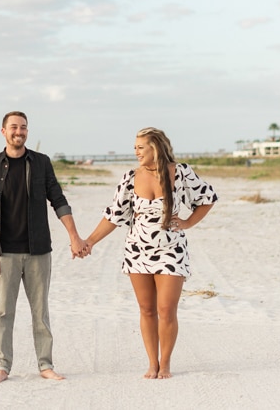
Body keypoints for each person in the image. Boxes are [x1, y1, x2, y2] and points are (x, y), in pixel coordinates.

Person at [82, 127, 217, 379]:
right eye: (135, 147)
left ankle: (165, 363)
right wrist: (89, 241)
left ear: (155, 147)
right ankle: (151, 363)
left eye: (141, 147)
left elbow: (207, 198)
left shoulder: (181, 172)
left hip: (171, 250)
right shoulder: (130, 177)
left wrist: (187, 223)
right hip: (137, 250)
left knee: (166, 309)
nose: (136, 151)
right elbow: (114, 216)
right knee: (146, 309)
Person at [0, 111, 87, 384]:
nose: (19, 131)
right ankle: (2, 366)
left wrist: (74, 236)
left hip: (38, 250)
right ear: (3, 131)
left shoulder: (41, 163)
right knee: (4, 312)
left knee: (40, 311)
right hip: (4, 251)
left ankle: (46, 364)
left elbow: (58, 199)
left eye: (24, 127)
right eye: (14, 127)